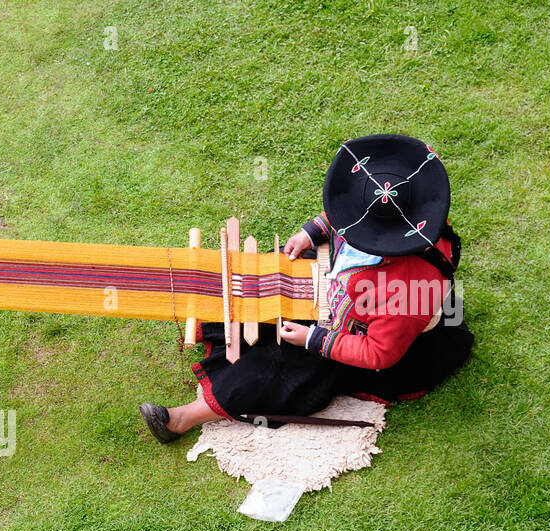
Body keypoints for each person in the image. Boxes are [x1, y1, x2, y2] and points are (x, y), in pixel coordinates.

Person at [139, 134, 474, 442]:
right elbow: (348, 214)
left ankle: (183, 419)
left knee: (285, 365)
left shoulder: (412, 289)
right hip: (346, 289)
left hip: (365, 339)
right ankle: (216, 325)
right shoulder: (393, 207)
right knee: (271, 271)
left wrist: (314, 339)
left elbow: (378, 354)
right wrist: (314, 232)